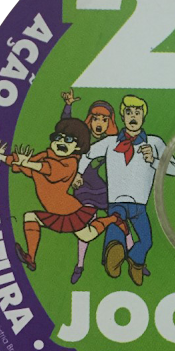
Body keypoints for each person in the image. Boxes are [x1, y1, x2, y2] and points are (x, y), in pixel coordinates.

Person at [0, 118, 129, 273]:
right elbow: (23, 165)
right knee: (30, 217)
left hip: (69, 210)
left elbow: (50, 169)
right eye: (58, 138)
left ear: (78, 146)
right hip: (54, 210)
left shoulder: (70, 163)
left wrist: (26, 162)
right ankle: (31, 258)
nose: (61, 142)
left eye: (68, 140)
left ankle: (114, 219)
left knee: (87, 235)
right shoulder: (44, 156)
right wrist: (0, 156)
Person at [74, 95, 175, 286]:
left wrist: (154, 161)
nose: (133, 116)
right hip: (117, 202)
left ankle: (135, 262)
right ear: (122, 117)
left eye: (137, 113)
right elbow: (87, 154)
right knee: (116, 233)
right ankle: (112, 257)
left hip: (140, 206)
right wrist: (79, 174)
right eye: (129, 112)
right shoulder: (110, 142)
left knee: (146, 241)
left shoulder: (155, 142)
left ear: (143, 117)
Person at [60, 89, 121, 283]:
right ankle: (79, 265)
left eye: (104, 120)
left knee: (120, 218)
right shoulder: (80, 136)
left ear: (110, 122)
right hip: (82, 189)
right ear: (90, 120)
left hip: (102, 189)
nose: (99, 123)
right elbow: (66, 128)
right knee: (84, 227)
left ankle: (134, 260)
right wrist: (68, 106)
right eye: (96, 119)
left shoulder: (111, 142)